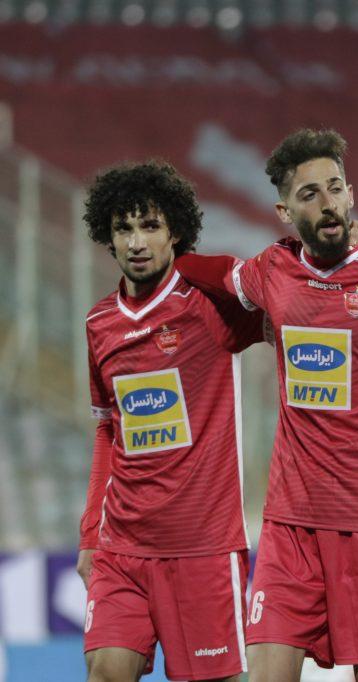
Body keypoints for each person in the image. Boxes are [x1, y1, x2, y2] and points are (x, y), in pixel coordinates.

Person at [175, 129, 358, 682]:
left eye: (335, 188)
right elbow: (216, 273)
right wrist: (167, 259)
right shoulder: (275, 269)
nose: (327, 203)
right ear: (285, 211)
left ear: (351, 194)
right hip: (291, 524)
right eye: (309, 194)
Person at [79, 162, 263, 682]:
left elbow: (290, 303)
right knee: (105, 671)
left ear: (175, 231)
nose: (136, 242)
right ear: (108, 238)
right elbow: (108, 429)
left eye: (151, 226)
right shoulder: (99, 323)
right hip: (122, 547)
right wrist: (90, 533)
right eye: (123, 229)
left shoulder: (209, 306)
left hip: (203, 548)